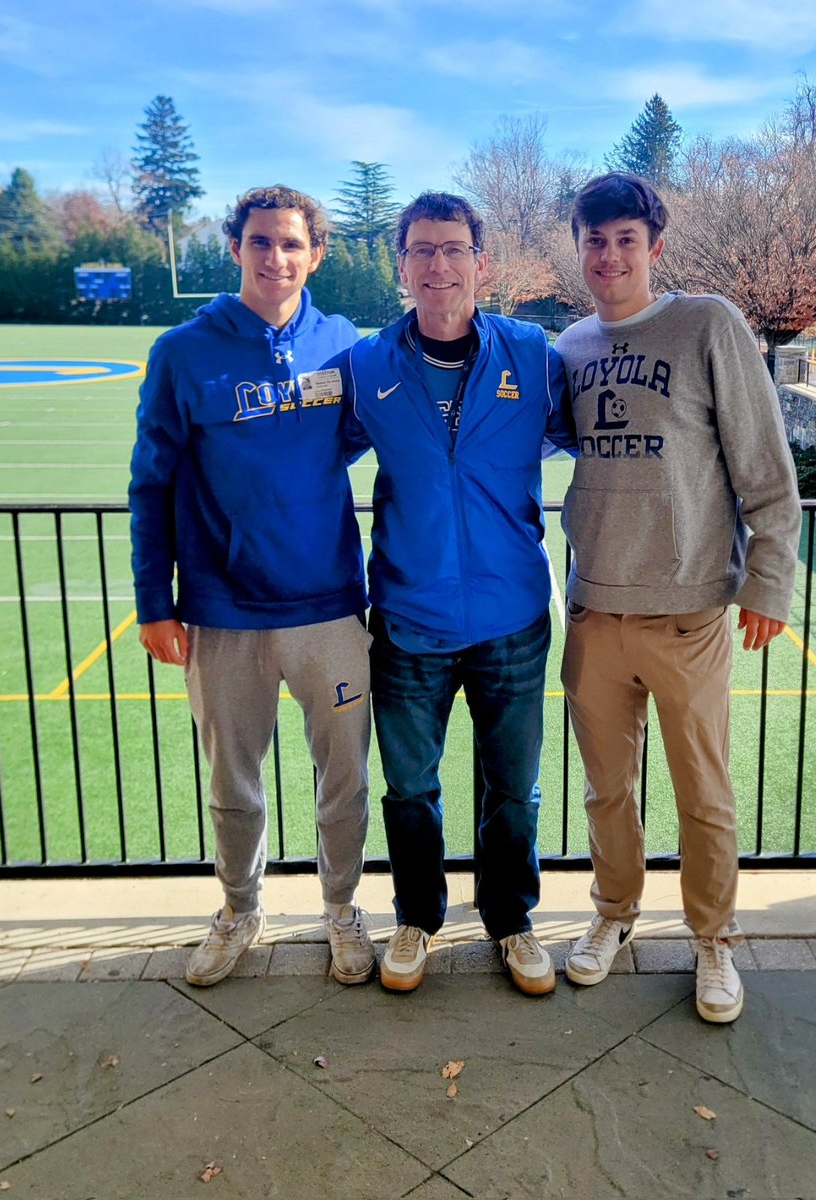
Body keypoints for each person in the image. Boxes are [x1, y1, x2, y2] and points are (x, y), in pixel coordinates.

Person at [556, 172, 801, 1023]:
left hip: (687, 613)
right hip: (594, 612)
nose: (609, 254)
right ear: (578, 250)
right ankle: (614, 914)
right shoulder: (570, 347)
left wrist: (767, 576)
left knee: (703, 792)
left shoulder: (706, 323)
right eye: (594, 239)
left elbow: (764, 464)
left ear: (653, 248)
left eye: (626, 239)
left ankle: (713, 939)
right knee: (604, 791)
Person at [129, 185, 375, 988]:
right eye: (261, 241)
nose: (276, 257)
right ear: (236, 246)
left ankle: (341, 909)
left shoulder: (343, 345)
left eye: (291, 244)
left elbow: (357, 444)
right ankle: (239, 909)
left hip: (329, 608)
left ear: (316, 253)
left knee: (343, 776)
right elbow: (151, 485)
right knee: (231, 783)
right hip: (223, 611)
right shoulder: (183, 352)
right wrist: (154, 603)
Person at [334, 192, 574, 996]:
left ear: (482, 262)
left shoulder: (535, 355)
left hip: (511, 617)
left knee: (514, 788)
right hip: (409, 621)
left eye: (453, 249)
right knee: (411, 789)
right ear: (401, 265)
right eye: (422, 250)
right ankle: (416, 918)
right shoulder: (366, 365)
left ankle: (511, 922)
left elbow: (608, 437)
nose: (438, 265)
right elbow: (305, 459)